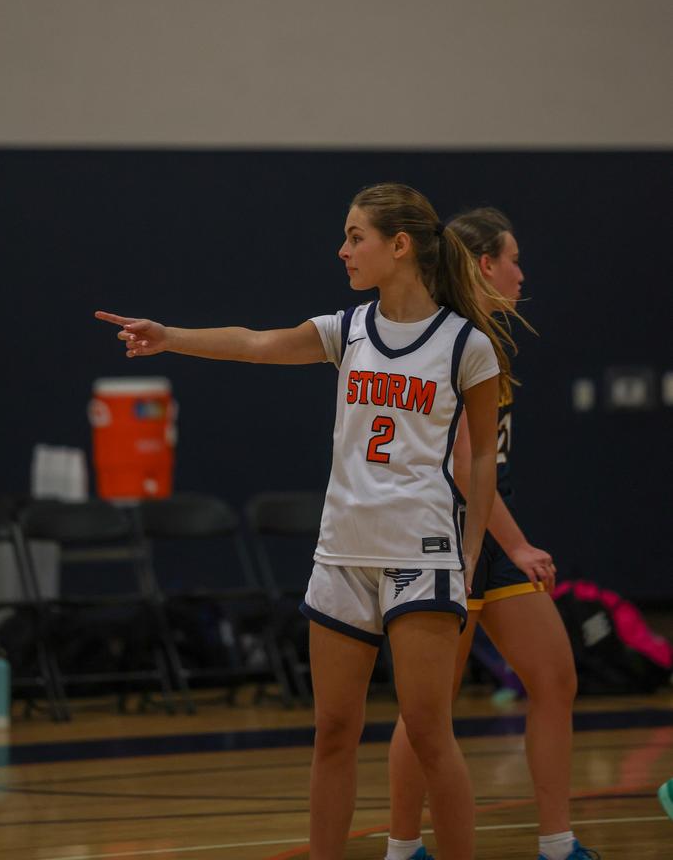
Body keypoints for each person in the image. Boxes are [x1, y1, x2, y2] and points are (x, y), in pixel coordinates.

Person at [96, 183, 514, 860]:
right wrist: (169, 337)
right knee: (332, 733)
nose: (342, 249)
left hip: (421, 552)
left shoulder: (465, 345)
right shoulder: (347, 329)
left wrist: (468, 556)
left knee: (428, 734)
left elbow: (482, 461)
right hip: (342, 552)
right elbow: (254, 343)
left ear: (398, 245)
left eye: (355, 236)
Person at [386, 207, 599, 860]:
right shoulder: (448, 341)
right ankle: (402, 848)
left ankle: (557, 844)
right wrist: (519, 544)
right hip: (444, 533)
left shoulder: (487, 339)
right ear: (485, 264)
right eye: (513, 258)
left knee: (554, 678)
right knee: (429, 709)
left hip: (490, 528)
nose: (521, 273)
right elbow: (460, 466)